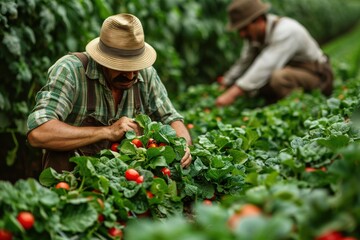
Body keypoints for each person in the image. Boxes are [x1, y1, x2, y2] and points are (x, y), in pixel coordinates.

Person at [27, 13, 192, 172]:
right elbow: (38, 132)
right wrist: (107, 132)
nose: (130, 75)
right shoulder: (71, 71)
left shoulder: (146, 75)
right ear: (101, 59)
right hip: (72, 182)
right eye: (121, 67)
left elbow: (171, 119)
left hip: (123, 185)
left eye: (135, 66)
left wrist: (182, 144)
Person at [215, 0, 333, 107]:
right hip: (294, 74)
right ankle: (279, 103)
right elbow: (244, 62)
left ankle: (303, 108)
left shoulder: (286, 30)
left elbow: (266, 65)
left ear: (259, 20)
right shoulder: (254, 38)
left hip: (317, 76)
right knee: (256, 83)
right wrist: (226, 82)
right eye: (240, 30)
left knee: (279, 78)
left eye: (244, 28)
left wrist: (231, 94)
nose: (242, 34)